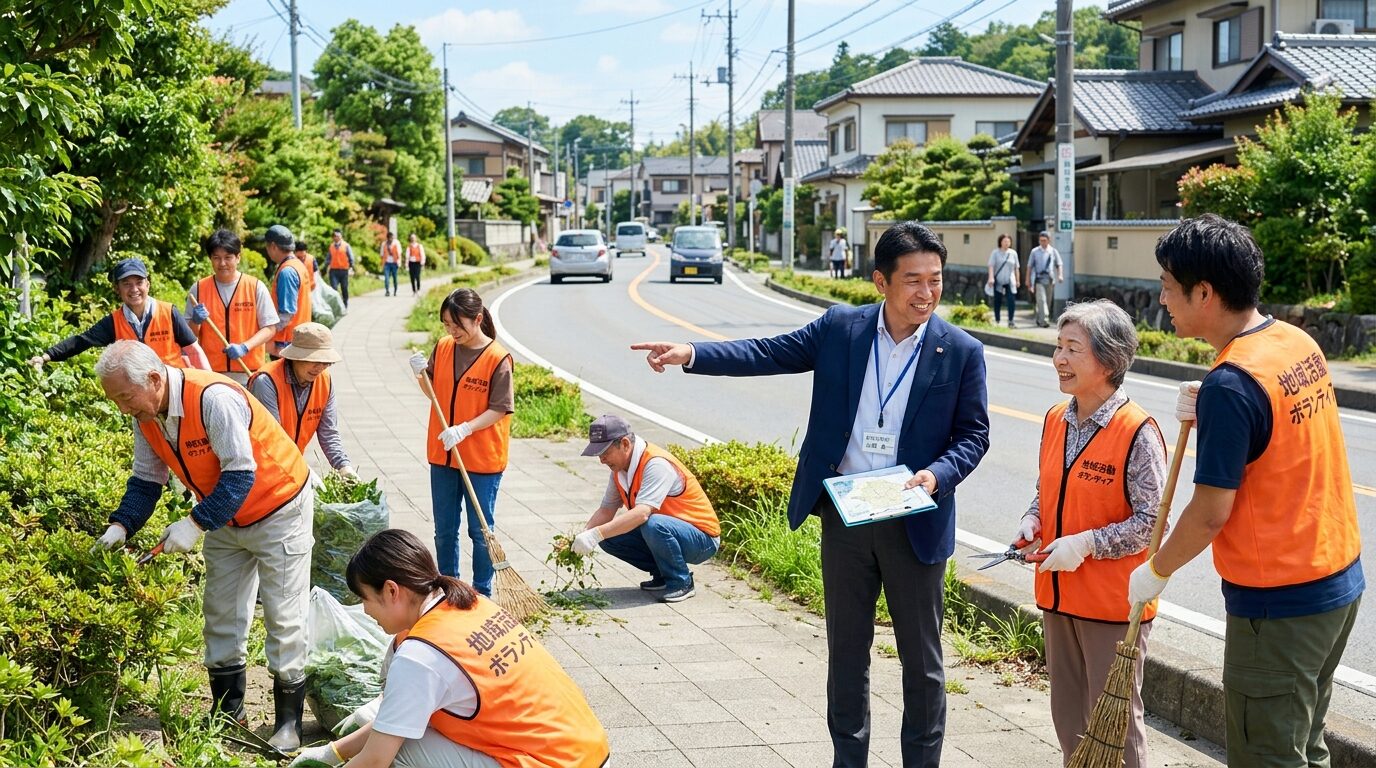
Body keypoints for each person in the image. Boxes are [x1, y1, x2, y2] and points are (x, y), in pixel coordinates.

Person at [631, 220, 991, 767]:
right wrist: (692, 353)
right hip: (846, 518)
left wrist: (937, 474)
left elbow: (974, 434)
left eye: (936, 280)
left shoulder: (960, 350)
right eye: (913, 280)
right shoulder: (842, 329)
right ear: (880, 282)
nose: (927, 293)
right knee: (847, 655)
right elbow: (769, 352)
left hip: (915, 519)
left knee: (923, 664)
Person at [1127, 214, 1363, 768]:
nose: (1161, 297)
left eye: (1167, 285)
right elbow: (1277, 440)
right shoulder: (1292, 342)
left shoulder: (1232, 385)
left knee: (1268, 756)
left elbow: (1210, 513)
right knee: (1306, 745)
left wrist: (1156, 569)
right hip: (1336, 581)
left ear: (1203, 292)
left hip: (1279, 604)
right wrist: (1213, 400)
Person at [90, 340, 315, 751]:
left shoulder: (213, 398)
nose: (123, 408)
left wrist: (193, 525)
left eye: (125, 397)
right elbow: (146, 479)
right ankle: (230, 711)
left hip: (279, 506)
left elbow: (240, 475)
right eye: (115, 400)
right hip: (225, 513)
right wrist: (121, 526)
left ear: (155, 379)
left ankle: (288, 723)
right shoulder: (147, 415)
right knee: (221, 611)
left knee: (284, 615)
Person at [287, 529, 610, 768]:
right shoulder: (469, 604)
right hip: (587, 753)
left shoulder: (420, 655)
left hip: (551, 763)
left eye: (364, 599)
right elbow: (403, 721)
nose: (365, 610)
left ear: (391, 591)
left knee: (398, 757)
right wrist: (335, 752)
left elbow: (376, 758)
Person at [1015, 300, 1166, 768]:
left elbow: (1152, 522)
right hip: (1058, 597)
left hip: (1111, 607)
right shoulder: (1055, 417)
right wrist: (1032, 520)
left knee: (1115, 731)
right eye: (1058, 347)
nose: (1058, 358)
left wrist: (1085, 545)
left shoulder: (1137, 430)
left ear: (1109, 359)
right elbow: (1048, 488)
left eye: (1072, 348)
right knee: (1069, 724)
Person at [408, 288, 513, 596]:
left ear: (477, 319)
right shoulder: (442, 348)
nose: (451, 331)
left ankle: (482, 591)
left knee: (480, 532)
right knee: (444, 531)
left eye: (457, 324)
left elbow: (500, 407)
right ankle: (449, 587)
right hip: (443, 456)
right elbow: (435, 395)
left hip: (481, 458)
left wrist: (465, 428)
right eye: (446, 324)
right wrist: (419, 377)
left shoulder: (497, 358)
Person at [570, 414, 721, 603]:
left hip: (702, 540)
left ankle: (681, 582)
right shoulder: (619, 471)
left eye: (605, 453)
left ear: (625, 444)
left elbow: (642, 513)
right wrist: (583, 536)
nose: (602, 460)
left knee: (652, 524)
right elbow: (606, 510)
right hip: (665, 532)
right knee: (609, 537)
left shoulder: (656, 464)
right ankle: (662, 575)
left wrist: (595, 534)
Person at [28, 257, 210, 372]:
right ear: (117, 289)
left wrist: (211, 384)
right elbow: (81, 341)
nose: (134, 289)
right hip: (140, 399)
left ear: (148, 284)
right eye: (126, 284)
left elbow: (193, 350)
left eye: (139, 282)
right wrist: (47, 356)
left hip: (175, 388)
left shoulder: (168, 312)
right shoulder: (113, 322)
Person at [249, 322, 355, 477]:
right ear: (295, 357)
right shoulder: (266, 382)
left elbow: (329, 433)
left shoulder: (324, 381)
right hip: (261, 467)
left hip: (291, 465)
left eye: (325, 362)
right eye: (314, 360)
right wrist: (305, 473)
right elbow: (273, 440)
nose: (320, 367)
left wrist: (343, 466)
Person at [187, 229, 280, 385]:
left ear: (238, 257)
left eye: (228, 257)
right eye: (216, 258)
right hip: (211, 374)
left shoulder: (255, 287)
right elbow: (189, 337)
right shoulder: (198, 289)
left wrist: (245, 347)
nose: (222, 263)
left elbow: (270, 328)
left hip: (249, 373)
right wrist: (195, 322)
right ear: (210, 258)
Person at [263, 225, 312, 359]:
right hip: (299, 337)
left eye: (267, 247)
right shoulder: (298, 265)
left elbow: (286, 313)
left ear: (273, 246)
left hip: (285, 343)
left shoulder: (287, 271)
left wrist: (268, 332)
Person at [1026, 230, 1064, 328]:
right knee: (1041, 300)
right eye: (1041, 240)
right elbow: (1029, 266)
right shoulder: (1034, 251)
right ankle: (1044, 320)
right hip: (1038, 279)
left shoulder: (1053, 251)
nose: (1042, 242)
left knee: (1047, 302)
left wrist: (1060, 275)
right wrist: (1028, 280)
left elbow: (1059, 264)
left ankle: (1039, 319)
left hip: (1050, 279)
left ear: (1049, 240)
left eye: (1044, 240)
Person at [986, 233, 1020, 328]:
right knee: (997, 300)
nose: (1006, 243)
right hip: (998, 280)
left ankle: (1011, 321)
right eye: (1004, 241)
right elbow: (991, 266)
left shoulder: (1013, 253)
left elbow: (1016, 268)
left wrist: (1018, 280)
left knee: (1011, 300)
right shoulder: (995, 252)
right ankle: (997, 320)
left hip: (1010, 280)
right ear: (1000, 242)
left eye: (1008, 241)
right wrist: (991, 277)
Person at [327, 229, 355, 308]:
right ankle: (337, 304)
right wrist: (325, 266)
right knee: (334, 288)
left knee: (344, 288)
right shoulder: (331, 246)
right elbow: (328, 258)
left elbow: (351, 257)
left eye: (338, 236)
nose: (336, 238)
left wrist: (352, 266)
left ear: (341, 236)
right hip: (333, 271)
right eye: (335, 236)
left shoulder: (346, 245)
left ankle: (345, 302)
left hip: (344, 270)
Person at [380, 231, 402, 297]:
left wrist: (399, 263)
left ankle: (395, 290)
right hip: (387, 263)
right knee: (386, 278)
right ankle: (387, 291)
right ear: (387, 238)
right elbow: (381, 254)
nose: (391, 239)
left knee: (395, 278)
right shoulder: (384, 244)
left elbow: (399, 253)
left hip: (394, 263)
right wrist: (382, 263)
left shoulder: (397, 243)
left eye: (392, 238)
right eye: (389, 238)